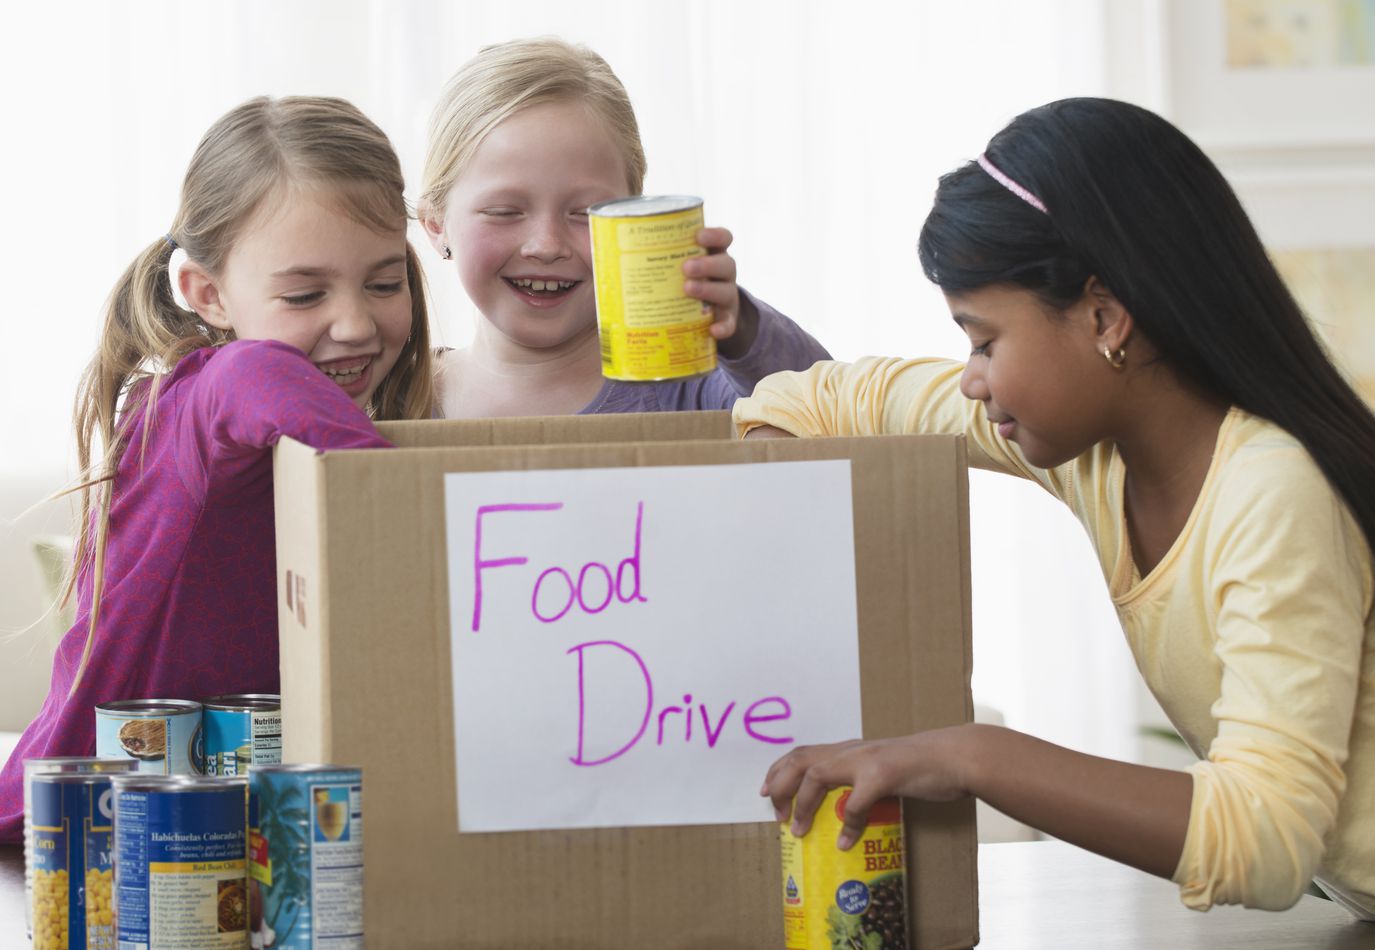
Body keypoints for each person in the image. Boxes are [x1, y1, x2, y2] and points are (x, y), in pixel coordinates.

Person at [741, 97, 1375, 947]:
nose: (971, 379)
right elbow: (839, 397)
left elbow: (1266, 839)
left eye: (984, 340)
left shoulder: (1273, 490)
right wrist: (772, 485)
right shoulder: (1095, 455)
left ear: (1104, 319)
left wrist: (972, 756)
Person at [0, 96, 432, 840]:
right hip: (86, 812)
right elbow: (270, 385)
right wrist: (436, 510)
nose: (358, 323)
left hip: (224, 809)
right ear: (208, 293)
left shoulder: (285, 410)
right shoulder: (212, 393)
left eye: (385, 283)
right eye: (305, 293)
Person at [418, 37, 828, 418]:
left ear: (633, 219)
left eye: (586, 212)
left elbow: (835, 411)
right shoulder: (400, 397)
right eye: (505, 211)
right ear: (437, 224)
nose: (546, 245)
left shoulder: (687, 393)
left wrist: (741, 329)